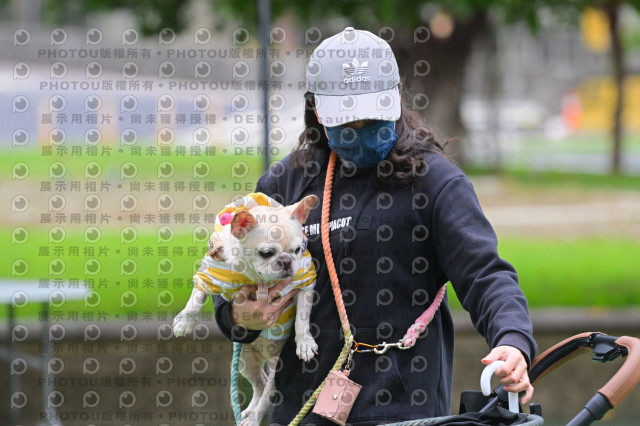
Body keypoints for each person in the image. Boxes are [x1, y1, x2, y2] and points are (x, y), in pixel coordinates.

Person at [213, 27, 537, 425]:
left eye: (374, 119)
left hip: (404, 411)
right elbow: (231, 278)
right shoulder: (285, 185)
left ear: (397, 96)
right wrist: (238, 316)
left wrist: (512, 340)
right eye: (348, 122)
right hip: (298, 411)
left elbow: (486, 274)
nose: (362, 130)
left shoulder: (436, 182)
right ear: (316, 110)